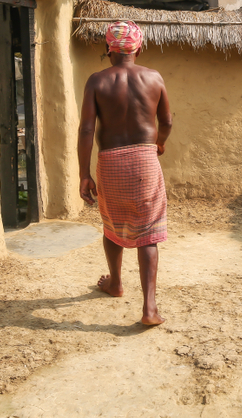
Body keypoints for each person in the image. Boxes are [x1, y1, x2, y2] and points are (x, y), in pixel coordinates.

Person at [78, 20, 172, 326]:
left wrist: (83, 173)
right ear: (138, 48)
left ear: (108, 49)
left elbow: (87, 129)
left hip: (111, 161)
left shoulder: (96, 80)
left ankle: (116, 283)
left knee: (112, 223)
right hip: (145, 159)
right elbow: (167, 121)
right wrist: (158, 144)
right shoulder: (153, 77)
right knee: (148, 233)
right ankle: (149, 309)